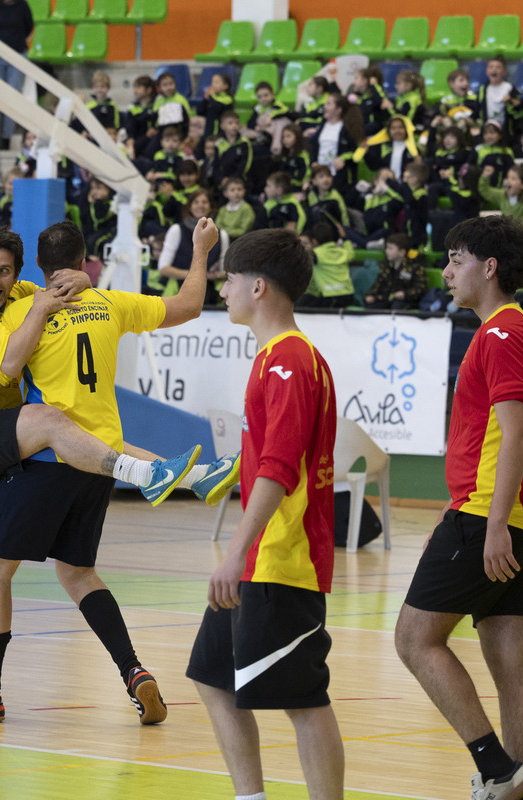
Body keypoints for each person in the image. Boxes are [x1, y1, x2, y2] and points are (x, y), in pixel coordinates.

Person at [0, 219, 227, 726]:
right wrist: (199, 251)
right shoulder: (105, 302)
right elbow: (190, 305)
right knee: (77, 571)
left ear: (29, 272)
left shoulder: (22, 310)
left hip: (48, 458)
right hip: (92, 459)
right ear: (85, 262)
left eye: (5, 272)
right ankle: (133, 669)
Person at [394, 214, 523, 800]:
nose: (446, 271)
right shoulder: (517, 331)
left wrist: (489, 526)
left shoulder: (501, 335)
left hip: (497, 517)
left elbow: (514, 435)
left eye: (456, 258)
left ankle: (496, 768)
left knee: (414, 639)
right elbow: (494, 440)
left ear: (489, 268)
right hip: (519, 514)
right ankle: (519, 788)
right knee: (514, 662)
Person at [187, 227, 343, 800]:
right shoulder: (277, 358)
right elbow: (268, 459)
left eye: (227, 280)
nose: (222, 291)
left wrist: (234, 553)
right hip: (260, 559)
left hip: (281, 559)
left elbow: (281, 467)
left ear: (258, 286)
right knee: (213, 680)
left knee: (304, 701)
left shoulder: (290, 362)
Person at [0, 0, 34, 148]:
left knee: (12, 97)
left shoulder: (22, 5)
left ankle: (6, 138)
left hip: (17, 54)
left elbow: (28, 27)